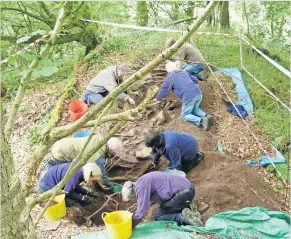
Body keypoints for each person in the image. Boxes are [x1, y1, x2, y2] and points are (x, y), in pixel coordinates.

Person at [122, 171, 203, 228]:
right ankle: (188, 208)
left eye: (132, 197)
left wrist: (131, 225)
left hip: (184, 195)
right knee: (163, 206)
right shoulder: (143, 180)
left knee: (158, 216)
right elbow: (150, 201)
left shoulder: (141, 188)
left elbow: (140, 213)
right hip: (188, 188)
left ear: (132, 193)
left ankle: (182, 217)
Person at [46, 135, 123, 194]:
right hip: (62, 152)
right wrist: (110, 189)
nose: (112, 155)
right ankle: (59, 192)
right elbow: (102, 175)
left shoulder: (100, 139)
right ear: (110, 150)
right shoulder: (98, 155)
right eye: (113, 154)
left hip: (62, 144)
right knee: (66, 176)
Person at [156, 61, 213, 130]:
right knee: (194, 109)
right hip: (198, 93)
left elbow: (164, 90)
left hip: (189, 96)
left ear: (168, 71)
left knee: (184, 115)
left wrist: (157, 98)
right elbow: (195, 80)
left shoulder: (170, 77)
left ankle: (201, 121)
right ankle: (207, 116)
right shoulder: (184, 72)